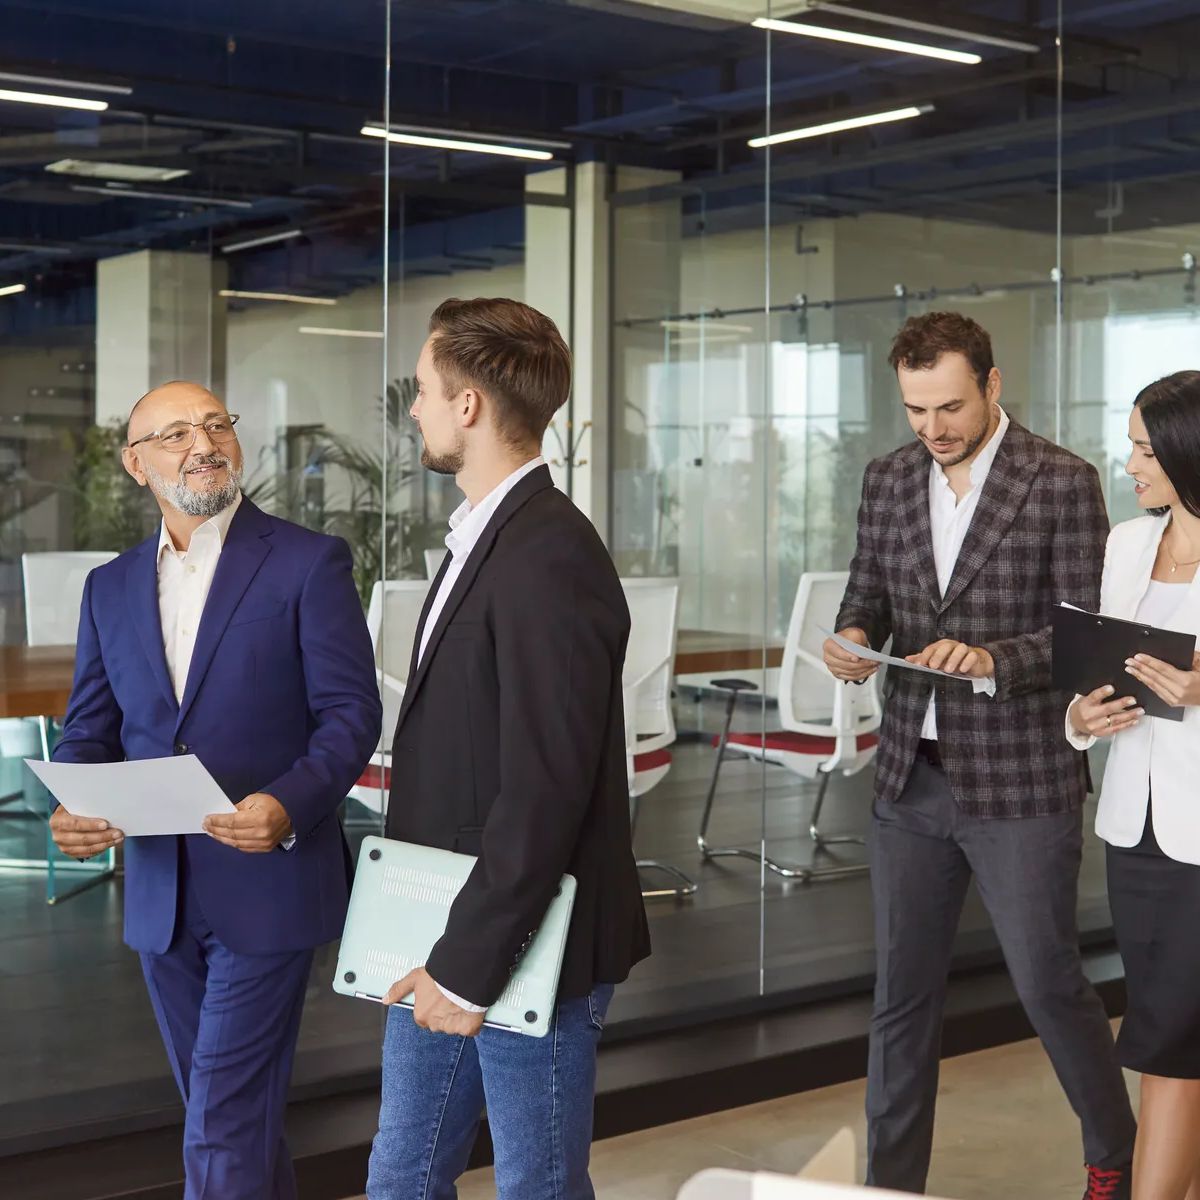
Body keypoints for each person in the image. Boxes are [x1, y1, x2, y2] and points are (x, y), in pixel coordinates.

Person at [822, 312, 1136, 1199]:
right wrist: (852, 636)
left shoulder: (1061, 482)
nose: (932, 428)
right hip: (908, 782)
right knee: (901, 1002)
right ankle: (891, 1185)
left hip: (1022, 781)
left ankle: (1113, 1151)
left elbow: (1084, 635)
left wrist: (997, 659)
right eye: (916, 409)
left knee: (1048, 985)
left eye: (950, 406)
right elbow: (867, 590)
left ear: (992, 387)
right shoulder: (888, 478)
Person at [49, 381, 382, 1200]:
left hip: (269, 882)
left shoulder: (308, 560)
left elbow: (350, 713)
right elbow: (90, 725)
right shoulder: (110, 587)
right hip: (162, 893)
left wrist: (290, 803)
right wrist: (75, 802)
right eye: (174, 435)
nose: (202, 443)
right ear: (136, 465)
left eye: (215, 425)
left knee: (220, 1123)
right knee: (231, 1114)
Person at [365, 297, 651, 1200]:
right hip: (451, 924)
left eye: (422, 391)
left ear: (470, 407)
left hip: (524, 946)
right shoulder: (483, 539)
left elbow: (545, 788)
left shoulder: (549, 554)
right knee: (401, 1178)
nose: (413, 408)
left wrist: (468, 968)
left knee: (539, 1187)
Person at [1067, 371, 1200, 1200]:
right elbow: (1088, 674)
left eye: (1145, 450)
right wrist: (1083, 717)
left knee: (1169, 1039)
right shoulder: (1124, 544)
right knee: (1168, 1030)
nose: (1129, 465)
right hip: (1136, 830)